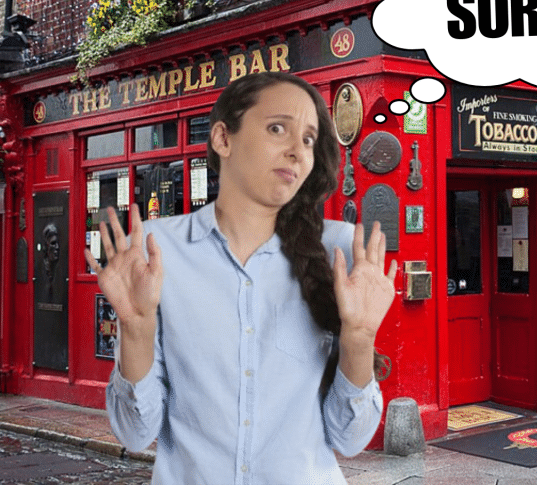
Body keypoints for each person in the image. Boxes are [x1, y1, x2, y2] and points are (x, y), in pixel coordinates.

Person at [87, 72, 399, 484]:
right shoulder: (157, 253)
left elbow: (350, 439)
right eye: (277, 128)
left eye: (308, 139)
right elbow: (135, 431)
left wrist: (359, 338)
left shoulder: (338, 252)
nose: (296, 151)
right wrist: (136, 328)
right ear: (222, 138)